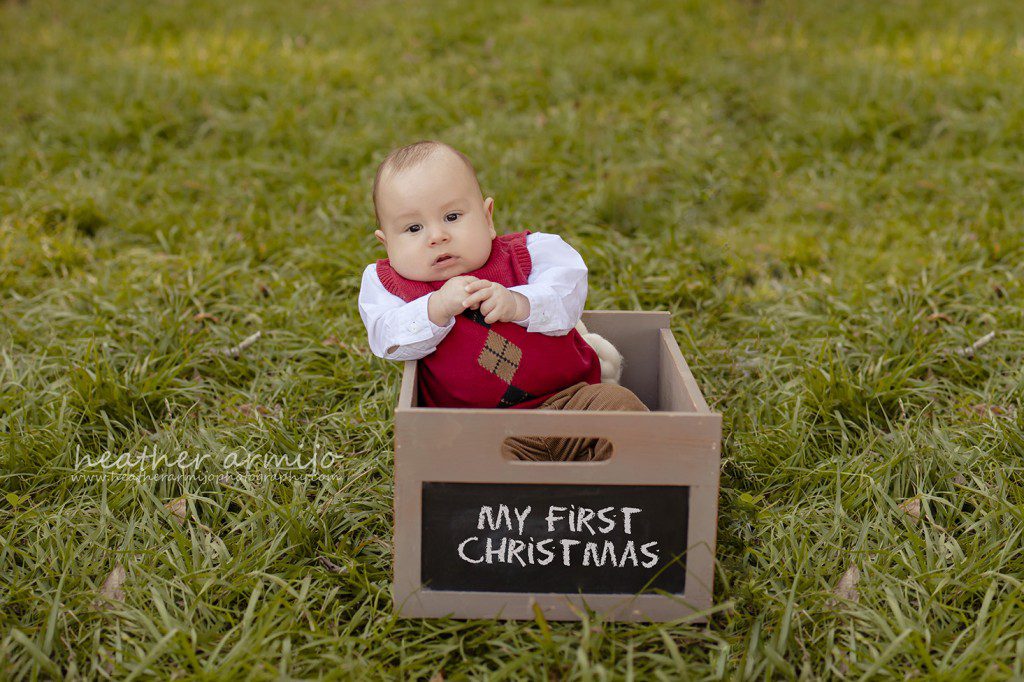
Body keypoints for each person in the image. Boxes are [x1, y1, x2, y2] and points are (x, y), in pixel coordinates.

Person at [357, 140, 647, 461]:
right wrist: (435, 309)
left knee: (621, 410)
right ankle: (544, 496)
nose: (436, 235)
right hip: (481, 430)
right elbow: (387, 338)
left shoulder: (528, 255)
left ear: (488, 217)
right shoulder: (389, 286)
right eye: (413, 228)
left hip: (570, 401)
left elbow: (568, 292)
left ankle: (611, 488)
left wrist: (518, 302)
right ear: (387, 244)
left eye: (452, 216)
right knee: (473, 466)